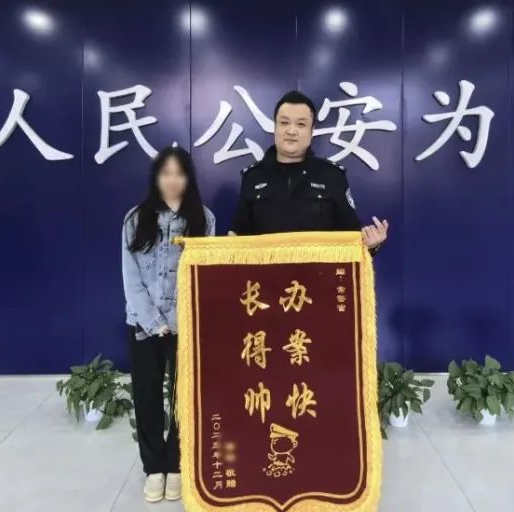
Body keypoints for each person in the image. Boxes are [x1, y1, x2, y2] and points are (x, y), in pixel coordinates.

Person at [122, 146, 215, 503]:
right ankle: (153, 467)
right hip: (143, 324)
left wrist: (177, 320)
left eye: (179, 173)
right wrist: (154, 321)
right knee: (146, 396)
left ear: (188, 178)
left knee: (183, 398)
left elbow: (203, 275)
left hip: (186, 325)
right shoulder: (135, 219)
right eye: (166, 173)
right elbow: (131, 278)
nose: (172, 180)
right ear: (156, 178)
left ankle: (175, 464)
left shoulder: (203, 219)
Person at [230, 90, 388, 250]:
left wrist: (370, 244)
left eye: (301, 124)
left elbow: (352, 237)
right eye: (284, 123)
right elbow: (239, 237)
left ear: (312, 131)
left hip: (319, 266)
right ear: (275, 127)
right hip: (265, 266)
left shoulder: (332, 176)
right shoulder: (253, 177)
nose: (291, 131)